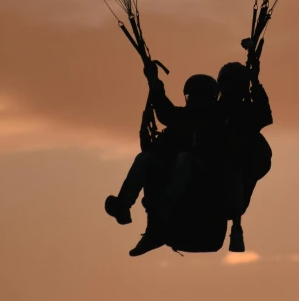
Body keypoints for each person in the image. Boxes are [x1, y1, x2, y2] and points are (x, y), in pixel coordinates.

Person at [105, 63, 227, 257]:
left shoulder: (219, 121)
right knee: (144, 159)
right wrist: (153, 81)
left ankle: (165, 207)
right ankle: (123, 205)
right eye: (191, 96)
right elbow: (163, 109)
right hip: (176, 173)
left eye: (198, 96)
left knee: (185, 159)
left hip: (203, 177)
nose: (193, 101)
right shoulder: (181, 117)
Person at [216, 59, 273, 252]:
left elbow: (265, 114)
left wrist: (255, 82)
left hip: (236, 182)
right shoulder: (213, 111)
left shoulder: (246, 113)